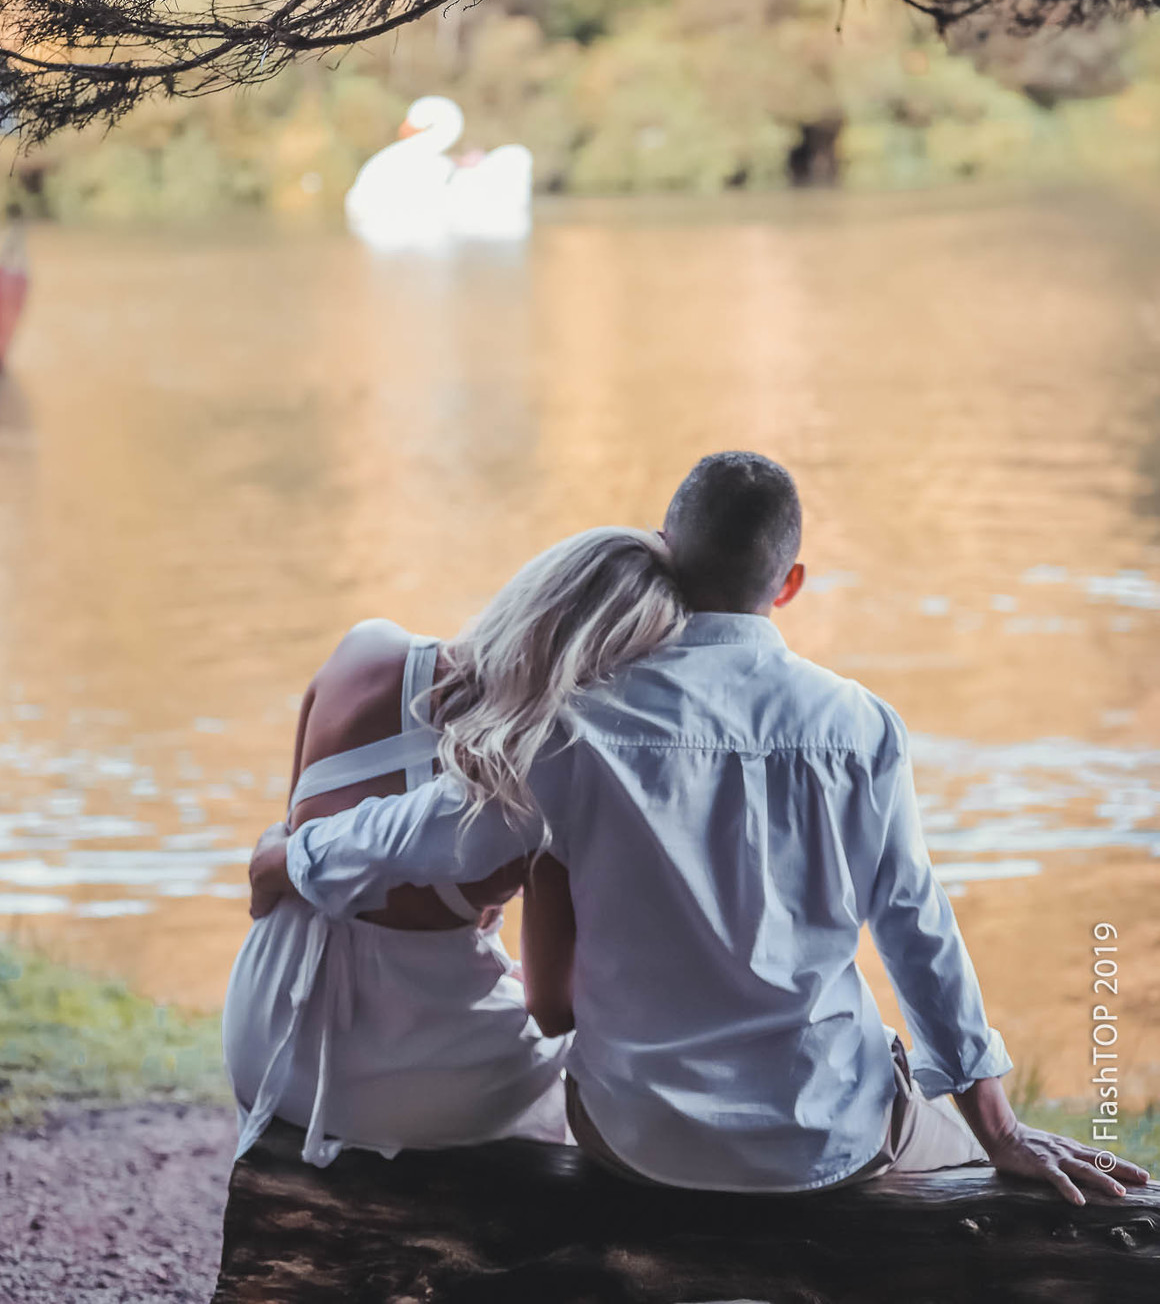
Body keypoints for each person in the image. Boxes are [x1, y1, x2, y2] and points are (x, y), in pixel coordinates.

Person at [250, 452, 1150, 1204]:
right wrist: (996, 1123)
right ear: (789, 583)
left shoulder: (573, 728)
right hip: (826, 1138)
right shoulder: (862, 724)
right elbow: (918, 927)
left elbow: (428, 832)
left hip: (640, 1140)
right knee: (948, 1144)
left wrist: (293, 858)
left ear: (668, 550)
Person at [224, 525, 685, 1166]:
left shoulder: (365, 654)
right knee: (585, 1057)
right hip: (409, 1081)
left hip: (268, 1030)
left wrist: (278, 861)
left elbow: (293, 832)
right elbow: (551, 1007)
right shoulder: (543, 780)